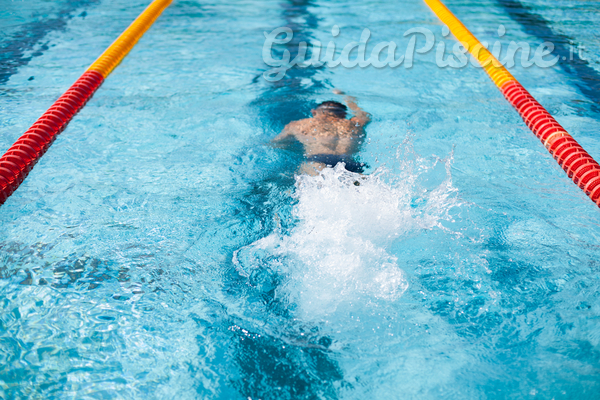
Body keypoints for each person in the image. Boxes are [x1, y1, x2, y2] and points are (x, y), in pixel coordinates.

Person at [272, 89, 371, 175]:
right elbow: (364, 114)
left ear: (313, 112)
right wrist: (343, 95)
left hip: (317, 163)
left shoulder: (298, 125)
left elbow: (277, 144)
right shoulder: (355, 124)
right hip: (349, 165)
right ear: (344, 114)